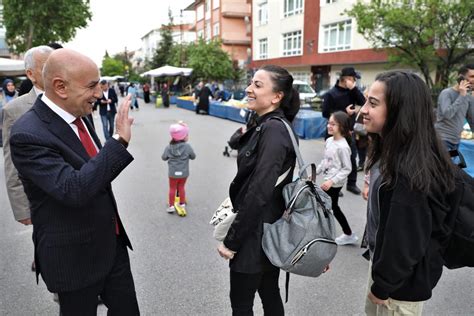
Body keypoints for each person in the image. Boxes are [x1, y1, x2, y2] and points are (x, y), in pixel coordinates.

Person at [9, 49, 140, 315]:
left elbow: (95, 172)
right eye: (92, 86)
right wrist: (118, 143)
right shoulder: (27, 133)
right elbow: (74, 190)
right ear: (60, 87)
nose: (99, 94)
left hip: (111, 245)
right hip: (73, 258)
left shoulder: (80, 114)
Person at [360, 70, 456, 315]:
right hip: (386, 272)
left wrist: (382, 286)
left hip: (398, 288)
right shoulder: (390, 152)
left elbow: (405, 241)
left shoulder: (412, 170)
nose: (363, 110)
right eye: (365, 100)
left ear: (399, 110)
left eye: (373, 103)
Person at [217, 65, 300, 315]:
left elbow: (260, 190)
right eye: (251, 83)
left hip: (256, 234)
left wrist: (233, 240)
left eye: (257, 85)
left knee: (243, 304)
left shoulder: (273, 129)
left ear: (277, 97)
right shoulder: (266, 124)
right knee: (269, 293)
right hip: (265, 230)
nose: (249, 89)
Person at [2, 45, 54, 275]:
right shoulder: (15, 109)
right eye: (46, 68)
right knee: (54, 252)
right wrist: (22, 207)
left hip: (78, 189)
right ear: (31, 74)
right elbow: (11, 160)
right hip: (41, 197)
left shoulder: (73, 99)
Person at [322, 66, 366, 195]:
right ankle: (333, 185)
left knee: (352, 158)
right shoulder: (331, 94)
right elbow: (325, 113)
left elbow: (363, 102)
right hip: (334, 133)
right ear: (345, 79)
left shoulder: (351, 91)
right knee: (333, 161)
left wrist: (353, 88)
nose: (354, 81)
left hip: (348, 132)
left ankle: (351, 184)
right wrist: (344, 113)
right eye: (353, 79)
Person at [317, 111, 358, 245]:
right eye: (328, 123)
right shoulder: (329, 141)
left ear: (342, 127)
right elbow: (326, 161)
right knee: (332, 207)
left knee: (325, 206)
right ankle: (347, 233)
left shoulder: (343, 147)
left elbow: (347, 168)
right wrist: (315, 171)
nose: (329, 126)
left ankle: (339, 234)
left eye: (333, 124)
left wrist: (331, 181)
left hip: (334, 183)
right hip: (328, 180)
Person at [435, 64, 474, 151]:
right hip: (442, 140)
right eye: (472, 76)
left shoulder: (468, 97)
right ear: (461, 78)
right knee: (443, 164)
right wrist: (462, 95)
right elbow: (447, 114)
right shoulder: (446, 93)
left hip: (456, 142)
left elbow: (472, 120)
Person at [161, 122, 196, 214]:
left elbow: (164, 157)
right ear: (183, 136)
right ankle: (182, 203)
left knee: (172, 188)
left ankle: (171, 206)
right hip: (184, 173)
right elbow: (193, 156)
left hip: (173, 173)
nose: (188, 136)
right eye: (187, 134)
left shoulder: (169, 147)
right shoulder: (187, 147)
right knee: (181, 187)